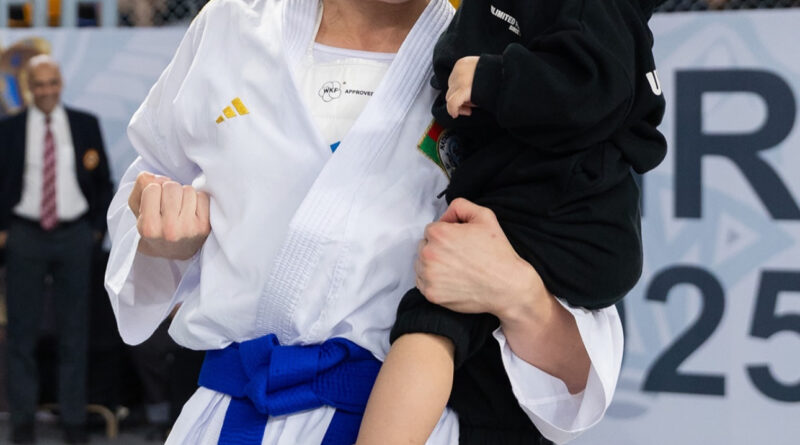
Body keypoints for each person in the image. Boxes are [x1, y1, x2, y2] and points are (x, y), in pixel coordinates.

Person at [105, 1, 623, 444]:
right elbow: (148, 185)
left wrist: (517, 295)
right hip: (229, 416)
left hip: (410, 421)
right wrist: (163, 240)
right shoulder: (232, 25)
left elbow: (578, 366)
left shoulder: (508, 63)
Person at [357, 0, 667, 443]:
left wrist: (490, 79)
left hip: (560, 211)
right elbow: (457, 62)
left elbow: (593, 88)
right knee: (479, 369)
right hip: (556, 210)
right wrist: (463, 81)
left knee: (431, 322)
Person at [0, 54, 114, 444]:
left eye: (53, 83)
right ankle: (22, 422)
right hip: (25, 236)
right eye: (40, 84)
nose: (47, 91)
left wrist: (95, 232)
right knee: (21, 333)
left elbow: (103, 181)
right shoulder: (9, 129)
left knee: (74, 332)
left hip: (75, 236)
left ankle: (73, 421)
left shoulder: (85, 124)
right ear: (29, 87)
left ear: (61, 83)